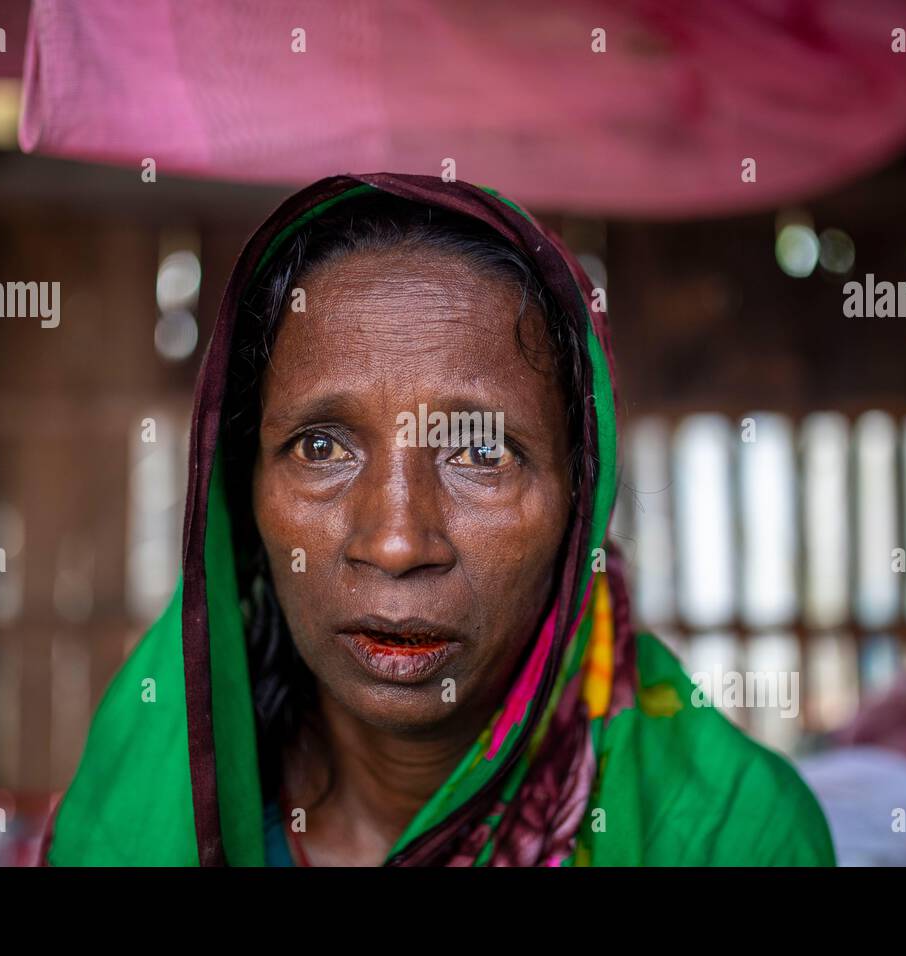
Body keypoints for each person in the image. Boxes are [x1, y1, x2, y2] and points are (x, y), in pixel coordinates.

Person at [43, 173, 835, 866]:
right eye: (320, 446)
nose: (395, 541)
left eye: (482, 454)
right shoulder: (143, 804)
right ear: (242, 494)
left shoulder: (729, 837)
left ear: (580, 500)